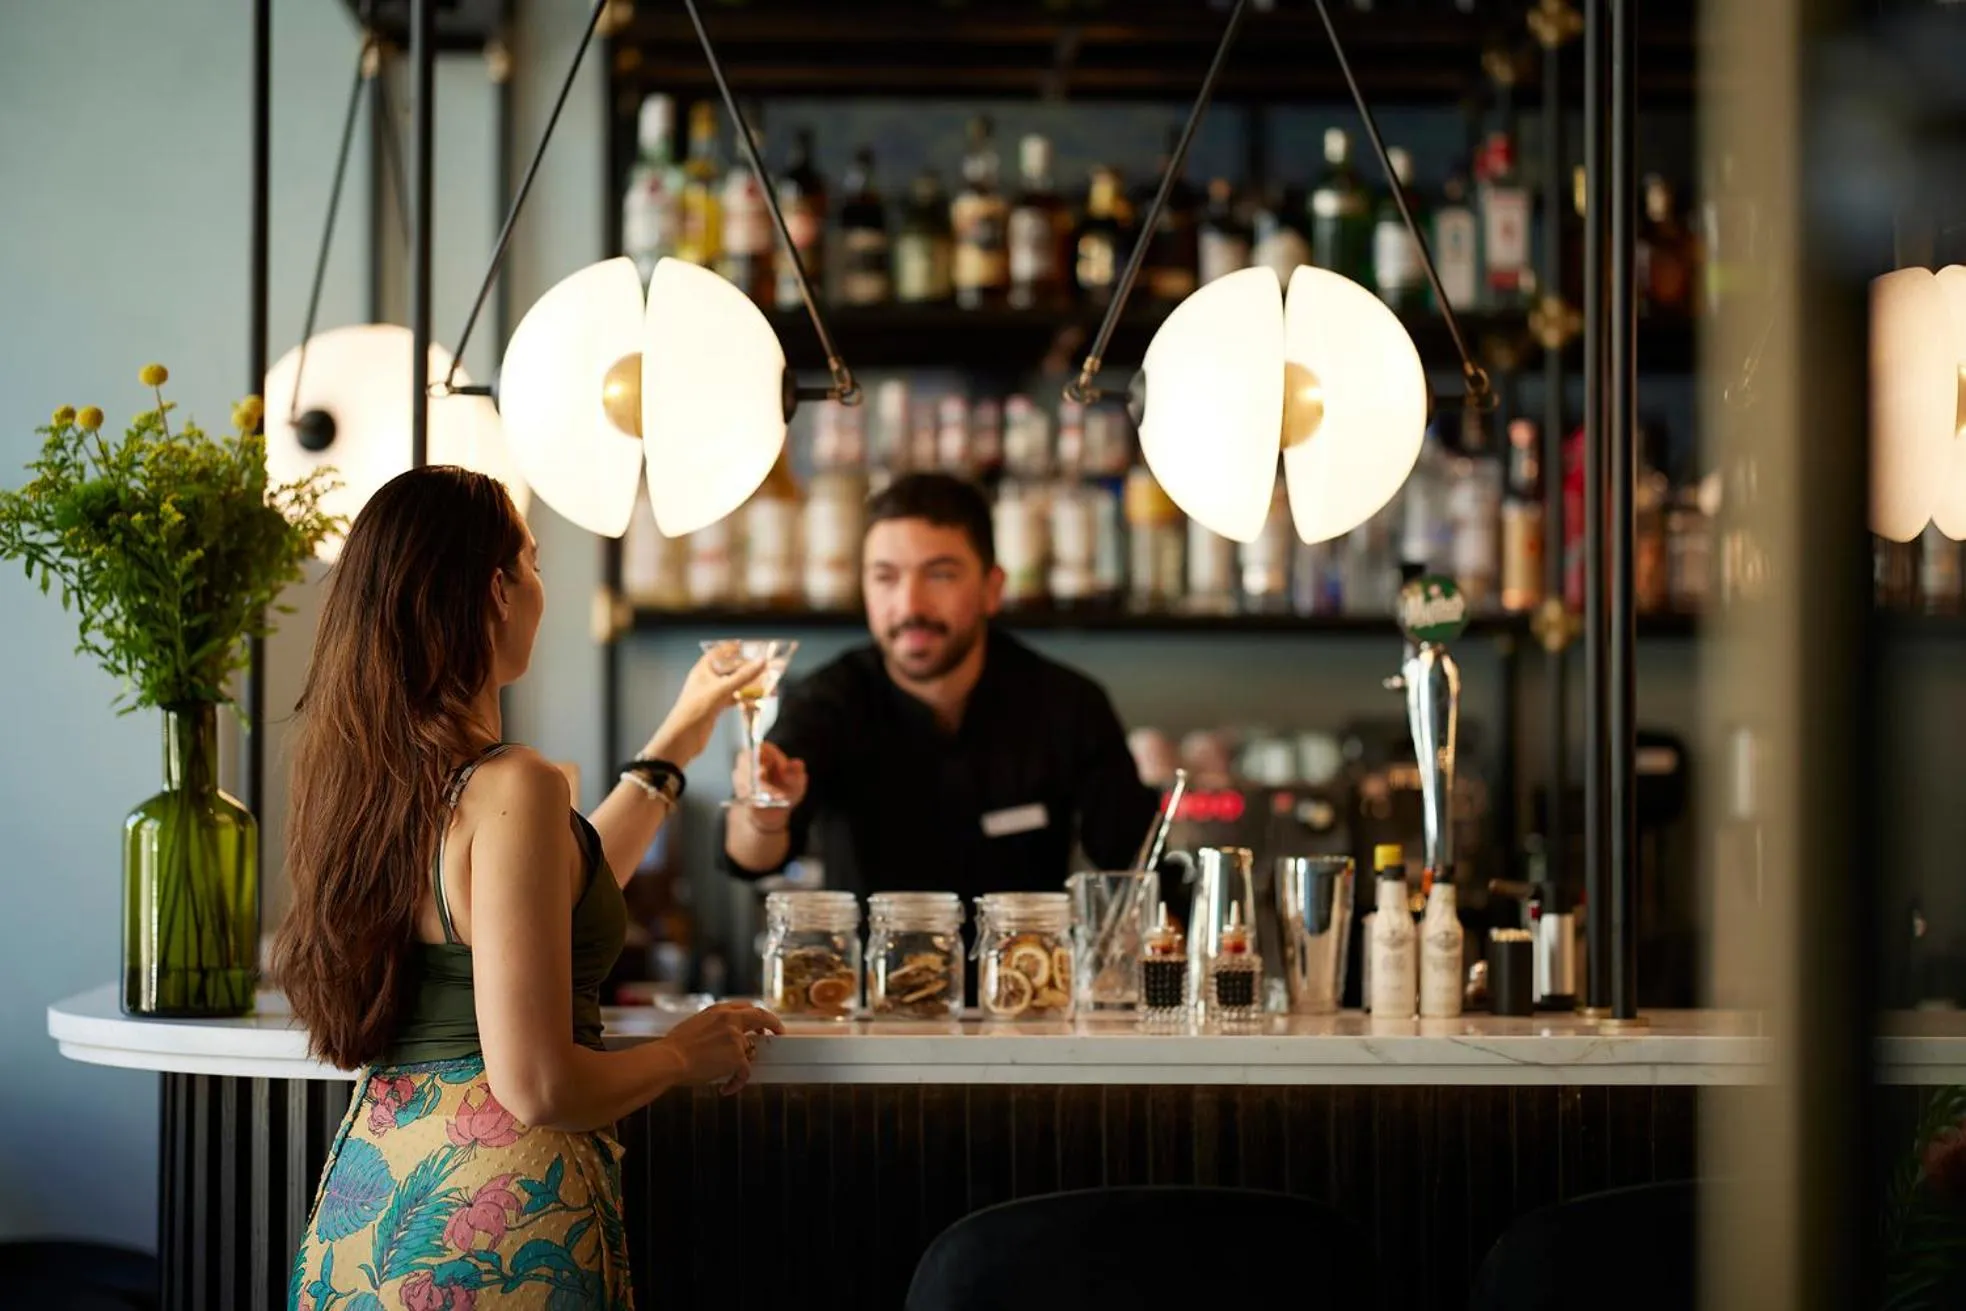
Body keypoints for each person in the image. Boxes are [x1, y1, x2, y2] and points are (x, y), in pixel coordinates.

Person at [275, 467, 782, 1309]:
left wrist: (675, 744)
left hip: (371, 1204)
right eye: (537, 563)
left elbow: (542, 901)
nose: (543, 588)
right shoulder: (516, 780)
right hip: (498, 1221)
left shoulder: (367, 781)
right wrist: (681, 1054)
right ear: (497, 592)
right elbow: (540, 1086)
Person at [722, 471, 1159, 902]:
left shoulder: (1068, 704)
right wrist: (762, 815)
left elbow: (1141, 874)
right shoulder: (828, 701)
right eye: (885, 577)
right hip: (871, 970)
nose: (910, 605)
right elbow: (751, 860)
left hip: (1023, 970)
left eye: (940, 575)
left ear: (992, 588)